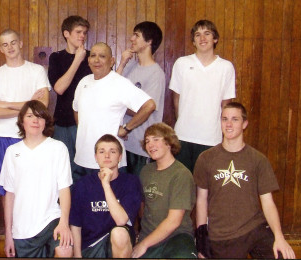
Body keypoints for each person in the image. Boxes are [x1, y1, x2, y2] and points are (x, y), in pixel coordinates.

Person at [194, 102, 296, 259]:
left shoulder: (258, 159)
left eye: (235, 119)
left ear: (244, 124)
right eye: (224, 119)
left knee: (282, 255)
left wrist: (279, 237)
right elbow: (201, 200)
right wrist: (201, 238)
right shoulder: (206, 158)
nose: (228, 124)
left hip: (254, 228)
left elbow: (268, 203)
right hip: (222, 235)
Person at [0, 100, 73, 258]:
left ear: (45, 122)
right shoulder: (12, 152)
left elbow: (64, 189)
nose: (35, 120)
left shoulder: (58, 148)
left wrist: (64, 223)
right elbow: (9, 195)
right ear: (22, 121)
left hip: (51, 221)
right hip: (22, 230)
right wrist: (8, 234)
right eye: (30, 116)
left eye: (40, 117)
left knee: (64, 249)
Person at [72, 42, 156, 178]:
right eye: (93, 56)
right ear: (88, 60)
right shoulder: (83, 82)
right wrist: (84, 131)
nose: (96, 60)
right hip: (82, 159)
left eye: (102, 56)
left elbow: (149, 105)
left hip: (110, 162)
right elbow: (76, 109)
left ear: (111, 61)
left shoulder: (120, 83)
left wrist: (126, 128)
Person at [0, 29, 50, 194]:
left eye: (13, 42)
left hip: (31, 135)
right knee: (7, 190)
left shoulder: (37, 71)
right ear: (1, 49)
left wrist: (6, 104)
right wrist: (28, 105)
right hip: (3, 136)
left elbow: (43, 105)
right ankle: (10, 222)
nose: (10, 47)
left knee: (32, 187)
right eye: (5, 45)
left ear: (20, 44)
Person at [169, 19, 236, 173]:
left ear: (215, 39)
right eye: (198, 35)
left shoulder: (226, 67)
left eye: (207, 34)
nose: (202, 38)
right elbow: (176, 99)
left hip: (212, 138)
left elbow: (226, 105)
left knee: (207, 188)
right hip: (183, 137)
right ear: (193, 41)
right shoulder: (182, 63)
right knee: (184, 186)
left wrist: (226, 134)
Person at [70, 134, 142, 258]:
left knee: (119, 233)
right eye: (102, 151)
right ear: (96, 157)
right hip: (91, 246)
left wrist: (106, 184)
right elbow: (76, 224)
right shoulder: (83, 184)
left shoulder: (131, 182)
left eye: (112, 151)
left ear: (120, 157)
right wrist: (77, 256)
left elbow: (121, 220)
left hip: (118, 245)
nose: (107, 156)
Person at [132, 123, 197, 258]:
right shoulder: (146, 171)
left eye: (156, 139)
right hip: (148, 235)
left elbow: (174, 221)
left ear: (169, 142)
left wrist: (143, 245)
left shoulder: (181, 174)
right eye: (147, 141)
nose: (150, 145)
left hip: (177, 237)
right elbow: (143, 207)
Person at [117, 21, 165, 176]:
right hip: (123, 143)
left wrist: (125, 125)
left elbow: (145, 109)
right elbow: (112, 89)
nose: (132, 39)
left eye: (136, 35)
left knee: (139, 193)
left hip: (141, 146)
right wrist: (122, 64)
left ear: (149, 41)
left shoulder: (155, 73)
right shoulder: (130, 66)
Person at [48, 16, 92, 180]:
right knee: (65, 168)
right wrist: (77, 60)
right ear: (66, 33)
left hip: (85, 121)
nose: (82, 36)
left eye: (85, 33)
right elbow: (59, 88)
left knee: (85, 167)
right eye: (78, 32)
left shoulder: (91, 58)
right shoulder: (56, 57)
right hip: (62, 122)